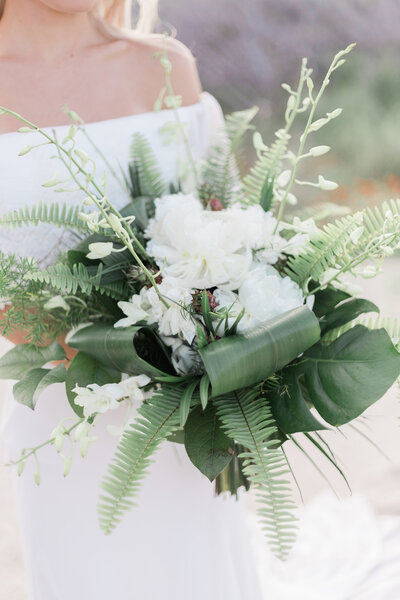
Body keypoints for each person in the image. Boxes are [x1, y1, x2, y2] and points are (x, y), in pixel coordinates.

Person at [0, 1, 264, 599]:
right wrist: (105, 358)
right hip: (69, 421)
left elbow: (229, 224)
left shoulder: (164, 68)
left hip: (191, 418)